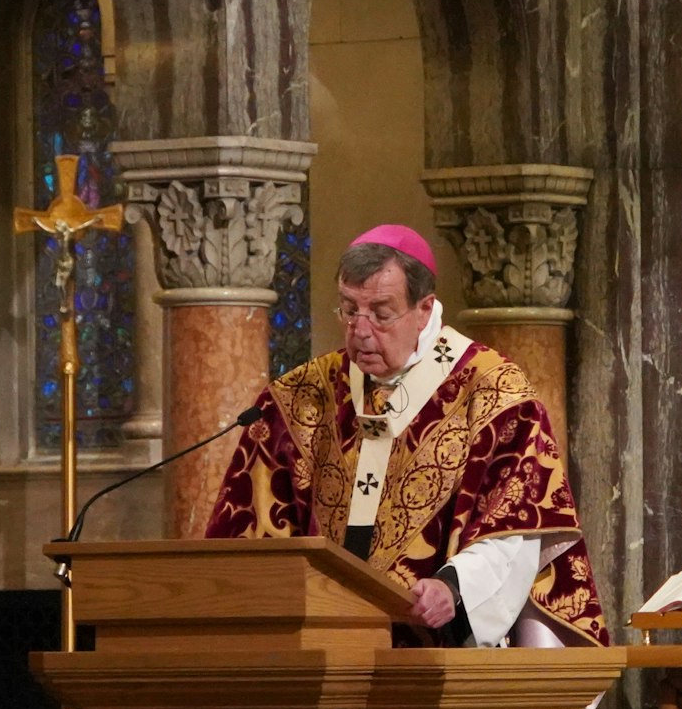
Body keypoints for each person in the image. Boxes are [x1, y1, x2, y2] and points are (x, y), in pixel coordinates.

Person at [206, 224, 608, 648]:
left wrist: (453, 588)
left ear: (424, 309)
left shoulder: (491, 391)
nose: (360, 331)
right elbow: (244, 540)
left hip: (434, 650)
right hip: (318, 651)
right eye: (348, 310)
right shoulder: (303, 395)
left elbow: (515, 527)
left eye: (381, 314)